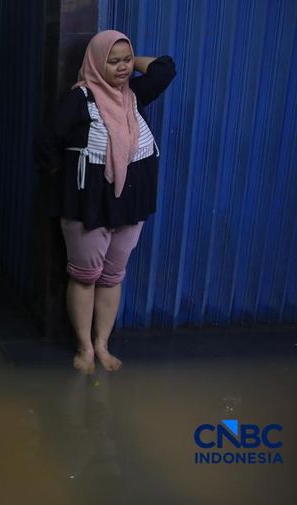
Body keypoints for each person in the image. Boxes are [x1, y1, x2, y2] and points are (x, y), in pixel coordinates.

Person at [36, 30, 176, 373]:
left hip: (131, 204)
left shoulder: (133, 95)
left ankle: (103, 344)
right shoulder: (79, 100)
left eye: (127, 60)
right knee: (85, 276)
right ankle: (84, 347)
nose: (123, 68)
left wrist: (133, 58)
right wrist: (68, 184)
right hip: (88, 205)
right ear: (96, 63)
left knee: (113, 276)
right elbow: (46, 145)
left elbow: (164, 70)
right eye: (112, 61)